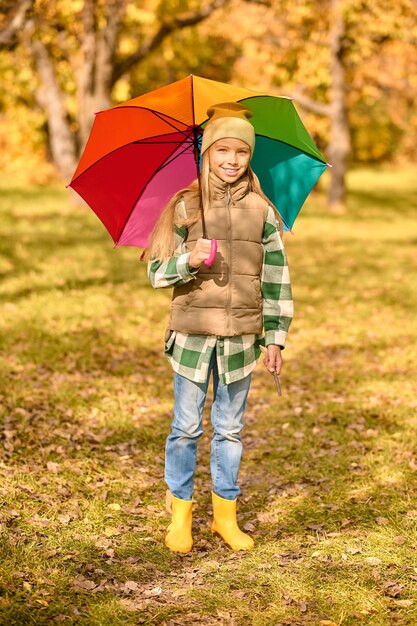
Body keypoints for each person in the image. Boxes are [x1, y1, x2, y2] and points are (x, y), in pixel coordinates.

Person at [146, 102, 293, 553]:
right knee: (186, 427)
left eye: (241, 152)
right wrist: (186, 260)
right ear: (206, 152)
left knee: (230, 429)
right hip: (192, 335)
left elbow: (276, 278)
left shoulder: (263, 213)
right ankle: (180, 514)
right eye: (222, 150)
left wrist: (276, 337)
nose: (231, 160)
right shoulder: (186, 206)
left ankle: (224, 516)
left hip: (242, 339)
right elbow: (154, 272)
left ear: (250, 158)